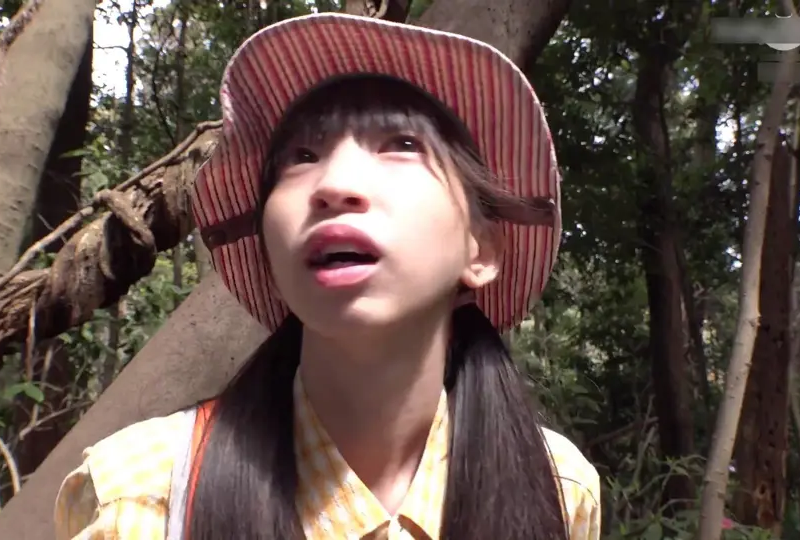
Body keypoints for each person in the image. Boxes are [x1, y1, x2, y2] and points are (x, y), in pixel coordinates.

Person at [53, 12, 600, 540]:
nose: (334, 185)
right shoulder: (140, 496)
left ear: (480, 250)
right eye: (301, 156)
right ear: (268, 255)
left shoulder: (557, 488)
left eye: (403, 145)